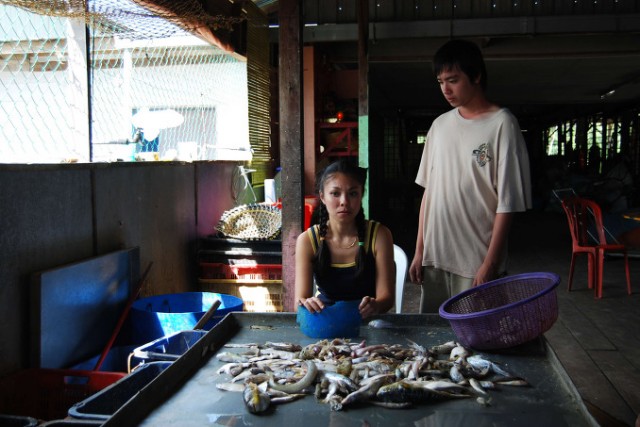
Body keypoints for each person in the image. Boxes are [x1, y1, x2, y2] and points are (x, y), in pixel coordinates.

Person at [409, 39, 532, 313]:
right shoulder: (439, 126)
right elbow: (429, 193)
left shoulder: (502, 124)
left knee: (476, 342)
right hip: (436, 258)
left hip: (476, 262)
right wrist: (420, 251)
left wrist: (489, 264)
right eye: (440, 82)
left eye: (453, 80)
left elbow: (507, 203)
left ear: (476, 75)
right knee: (435, 340)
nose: (445, 89)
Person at [295, 159, 395, 318]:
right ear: (322, 197)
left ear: (361, 194)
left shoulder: (379, 235)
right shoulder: (308, 240)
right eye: (335, 193)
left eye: (353, 193)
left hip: (368, 321)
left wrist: (376, 305)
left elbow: (387, 298)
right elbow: (300, 300)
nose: (344, 202)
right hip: (326, 319)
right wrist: (306, 303)